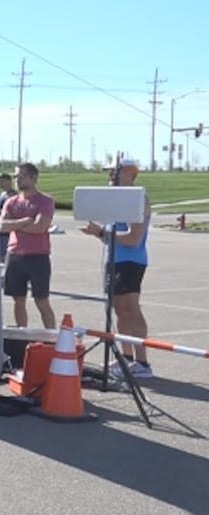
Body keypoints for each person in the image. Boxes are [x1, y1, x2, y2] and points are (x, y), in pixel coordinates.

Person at [79, 158, 153, 378]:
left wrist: (102, 233)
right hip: (115, 260)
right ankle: (126, 358)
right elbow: (112, 239)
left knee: (131, 308)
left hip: (131, 261)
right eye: (109, 172)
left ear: (129, 174)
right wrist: (100, 234)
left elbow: (133, 238)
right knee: (119, 310)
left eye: (114, 172)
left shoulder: (138, 198)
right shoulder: (116, 201)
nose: (110, 176)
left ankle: (142, 362)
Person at [0, 162, 56, 329]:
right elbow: (2, 226)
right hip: (15, 255)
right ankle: (22, 337)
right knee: (18, 300)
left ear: (34, 178)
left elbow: (40, 227)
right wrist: (24, 221)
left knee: (41, 301)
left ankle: (51, 338)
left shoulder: (45, 201)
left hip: (37, 256)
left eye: (22, 176)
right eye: (16, 176)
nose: (18, 180)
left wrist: (14, 224)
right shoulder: (11, 201)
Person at [0, 173, 15, 262]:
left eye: (1, 181)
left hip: (6, 233)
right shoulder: (2, 194)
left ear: (8, 182)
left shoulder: (11, 196)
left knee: (4, 257)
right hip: (0, 230)